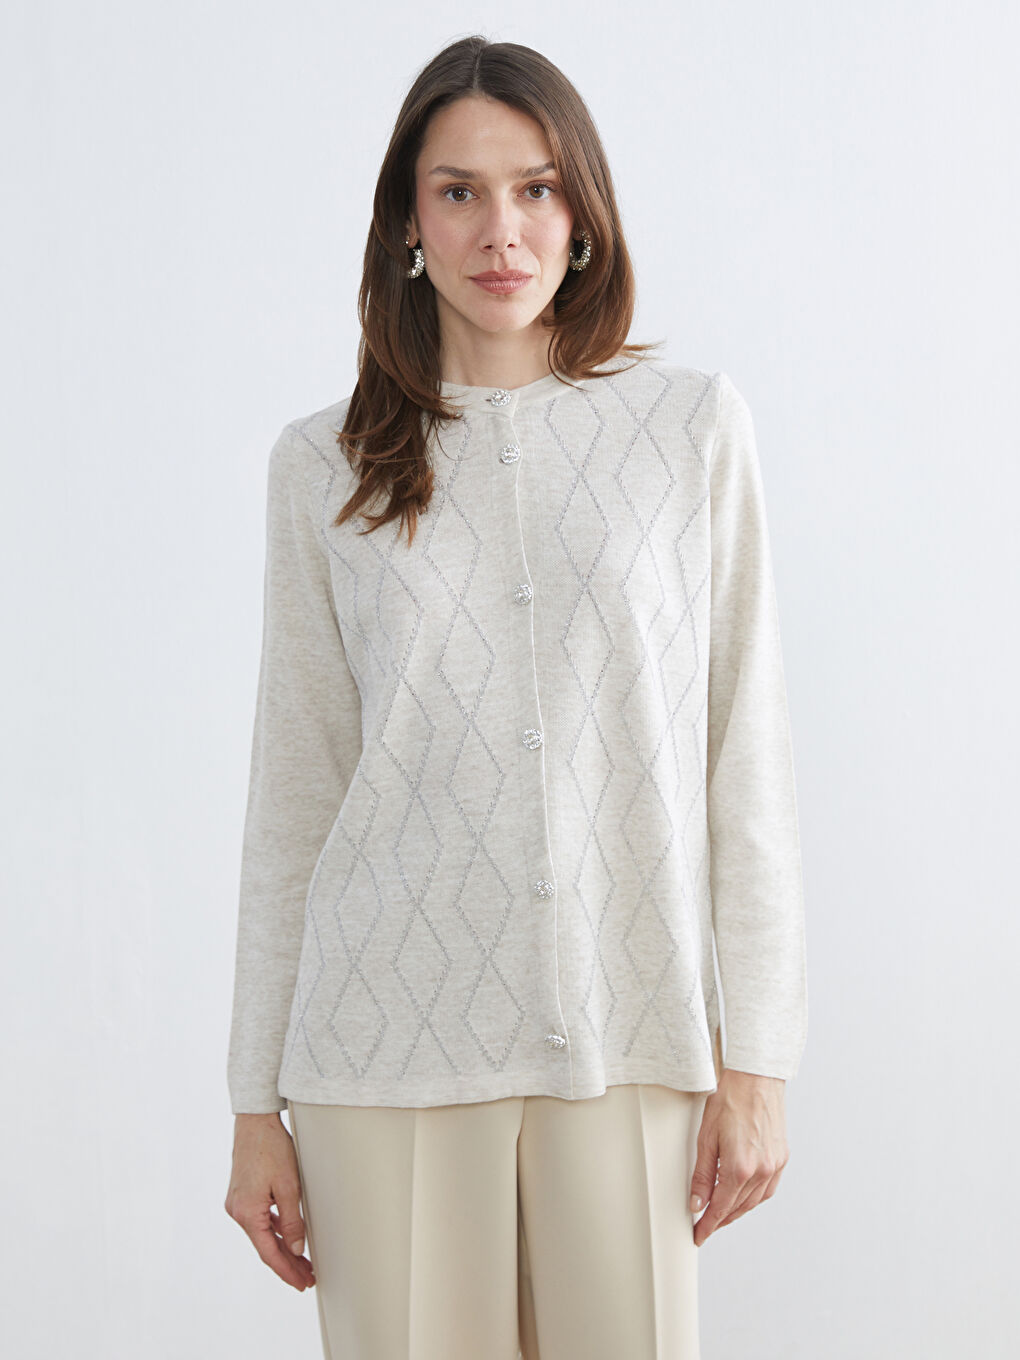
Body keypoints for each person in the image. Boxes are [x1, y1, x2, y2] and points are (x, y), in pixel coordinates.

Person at [223, 33, 808, 1360]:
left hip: (630, 1036)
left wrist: (759, 1062)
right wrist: (255, 1103)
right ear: (407, 223)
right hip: (382, 1055)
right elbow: (295, 796)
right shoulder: (322, 466)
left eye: (538, 188)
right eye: (460, 192)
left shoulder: (688, 432)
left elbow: (746, 763)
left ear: (583, 214)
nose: (504, 231)